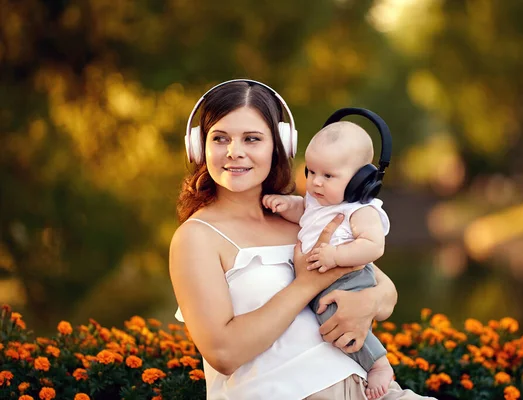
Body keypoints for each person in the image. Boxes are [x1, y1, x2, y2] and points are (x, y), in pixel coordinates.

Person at [169, 79, 436, 400]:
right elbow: (224, 353)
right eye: (220, 138)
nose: (234, 152)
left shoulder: (304, 216)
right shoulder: (196, 237)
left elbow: (386, 291)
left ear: (279, 145)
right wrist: (306, 285)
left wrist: (368, 302)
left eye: (252, 139)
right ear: (199, 147)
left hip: (371, 390)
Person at [262, 120, 393, 399]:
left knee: (335, 317)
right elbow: (305, 214)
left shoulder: (360, 211)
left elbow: (373, 246)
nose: (315, 182)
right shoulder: (318, 199)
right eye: (311, 171)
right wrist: (287, 205)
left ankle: (379, 363)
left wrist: (336, 255)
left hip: (349, 278)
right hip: (321, 280)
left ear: (361, 180)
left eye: (328, 176)